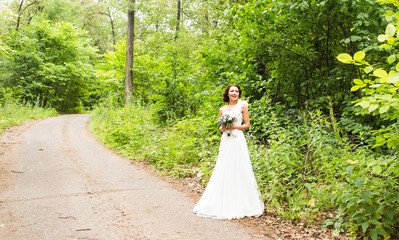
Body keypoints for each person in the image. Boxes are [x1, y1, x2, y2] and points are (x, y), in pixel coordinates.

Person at [193, 84, 264, 220]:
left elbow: (247, 124)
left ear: (239, 94)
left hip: (238, 140)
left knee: (240, 167)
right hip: (226, 140)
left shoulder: (243, 106)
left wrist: (234, 127)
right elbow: (221, 127)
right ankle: (222, 201)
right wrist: (223, 128)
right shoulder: (222, 109)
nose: (234, 93)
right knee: (224, 166)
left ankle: (244, 203)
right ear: (228, 93)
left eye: (236, 91)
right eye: (232, 91)